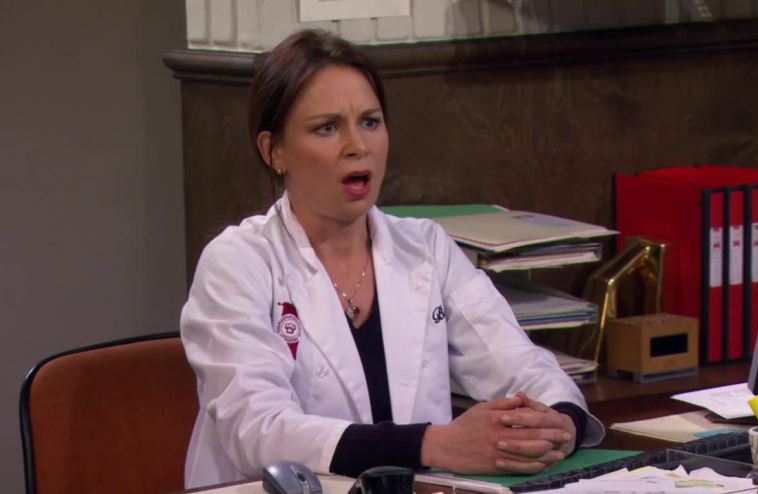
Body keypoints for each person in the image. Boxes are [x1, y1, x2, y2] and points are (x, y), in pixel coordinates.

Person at [180, 29, 605, 489]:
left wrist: (561, 421)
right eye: (327, 128)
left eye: (370, 122)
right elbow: (258, 431)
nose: (357, 146)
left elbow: (520, 365)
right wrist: (433, 445)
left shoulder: (427, 248)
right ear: (274, 150)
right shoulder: (237, 263)